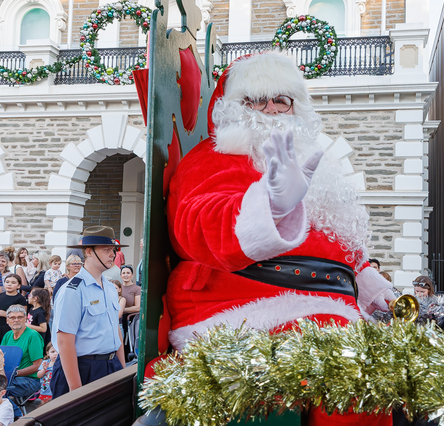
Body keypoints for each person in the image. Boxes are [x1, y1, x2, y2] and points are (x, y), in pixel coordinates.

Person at [158, 52, 395, 425]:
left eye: (282, 100)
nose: (270, 110)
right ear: (233, 107)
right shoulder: (214, 158)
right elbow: (196, 227)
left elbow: (338, 243)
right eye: (256, 100)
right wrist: (270, 206)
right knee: (350, 365)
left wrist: (371, 285)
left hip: (325, 305)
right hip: (240, 306)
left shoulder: (313, 163)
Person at [50, 226, 126, 399]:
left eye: (113, 250)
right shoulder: (72, 290)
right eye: (106, 250)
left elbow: (116, 330)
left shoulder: (110, 287)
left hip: (110, 365)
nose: (112, 254)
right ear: (89, 252)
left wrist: (121, 369)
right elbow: (64, 341)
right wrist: (76, 390)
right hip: (82, 367)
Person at [0, 305, 43, 407]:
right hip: (10, 378)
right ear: (7, 320)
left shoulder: (33, 335)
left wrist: (15, 373)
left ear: (25, 319)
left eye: (20, 317)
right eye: (12, 318)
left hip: (30, 379)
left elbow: (38, 365)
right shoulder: (7, 335)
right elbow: (0, 359)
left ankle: (14, 413)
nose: (16, 320)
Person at [0, 275, 27, 345]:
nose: (9, 284)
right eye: (7, 282)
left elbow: (23, 315)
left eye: (13, 283)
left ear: (18, 286)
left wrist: (6, 314)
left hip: (10, 328)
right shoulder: (0, 296)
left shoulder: (20, 299)